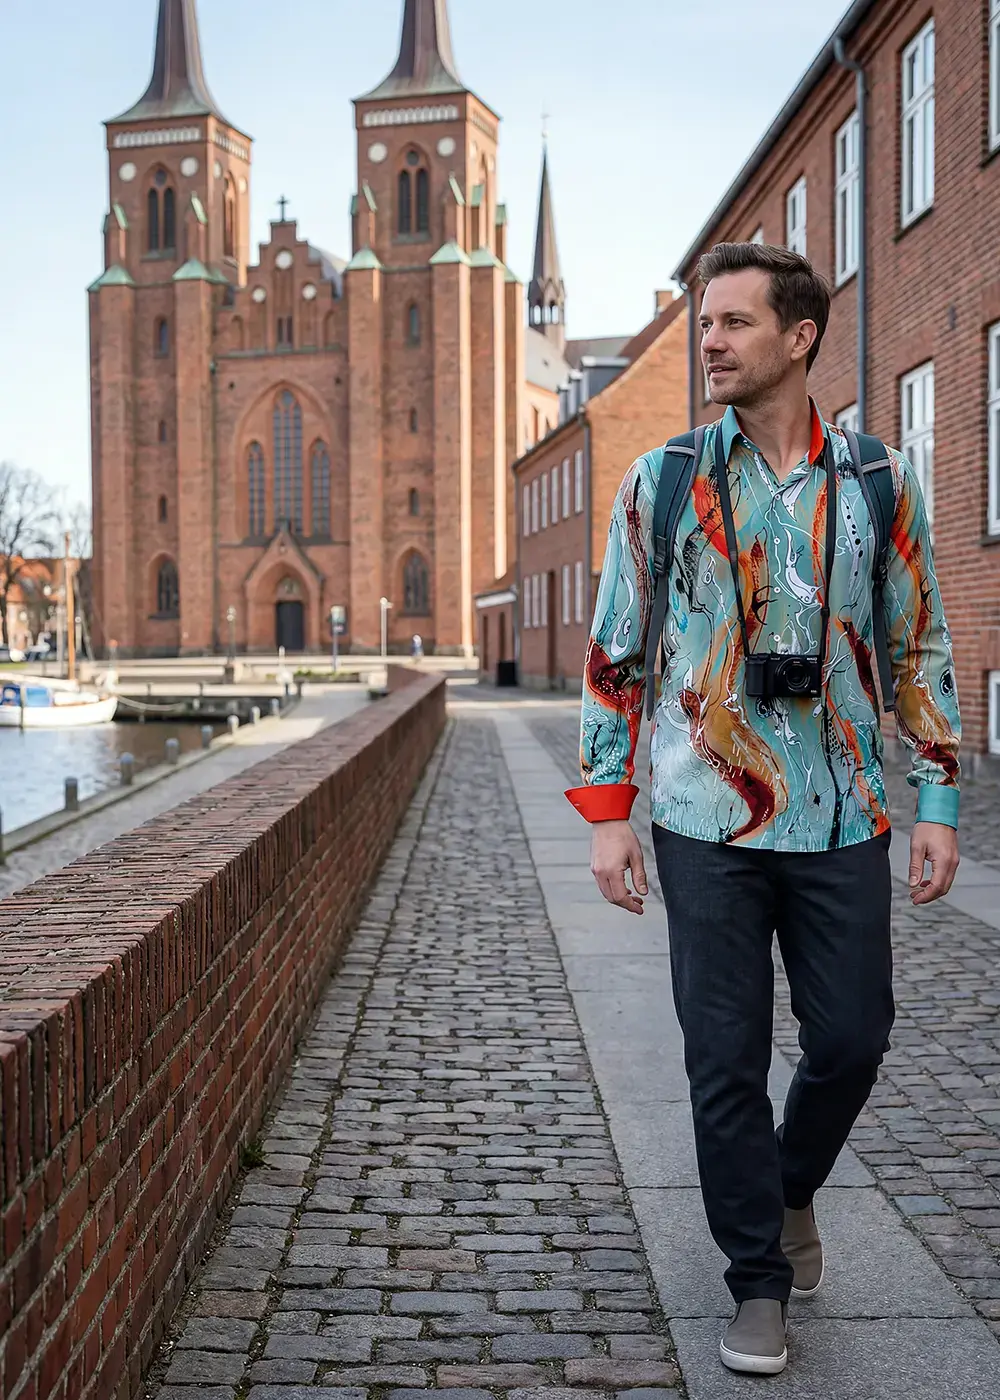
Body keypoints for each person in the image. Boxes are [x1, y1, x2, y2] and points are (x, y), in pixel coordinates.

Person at [566, 242, 961, 1377]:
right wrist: (608, 809)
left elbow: (918, 643)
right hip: (703, 818)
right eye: (705, 324)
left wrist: (934, 793)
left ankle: (786, 1188)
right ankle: (756, 1279)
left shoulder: (879, 481)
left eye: (735, 323)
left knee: (850, 1037)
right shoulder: (662, 480)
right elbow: (612, 655)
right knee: (723, 1055)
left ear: (799, 338)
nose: (711, 342)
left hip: (843, 810)